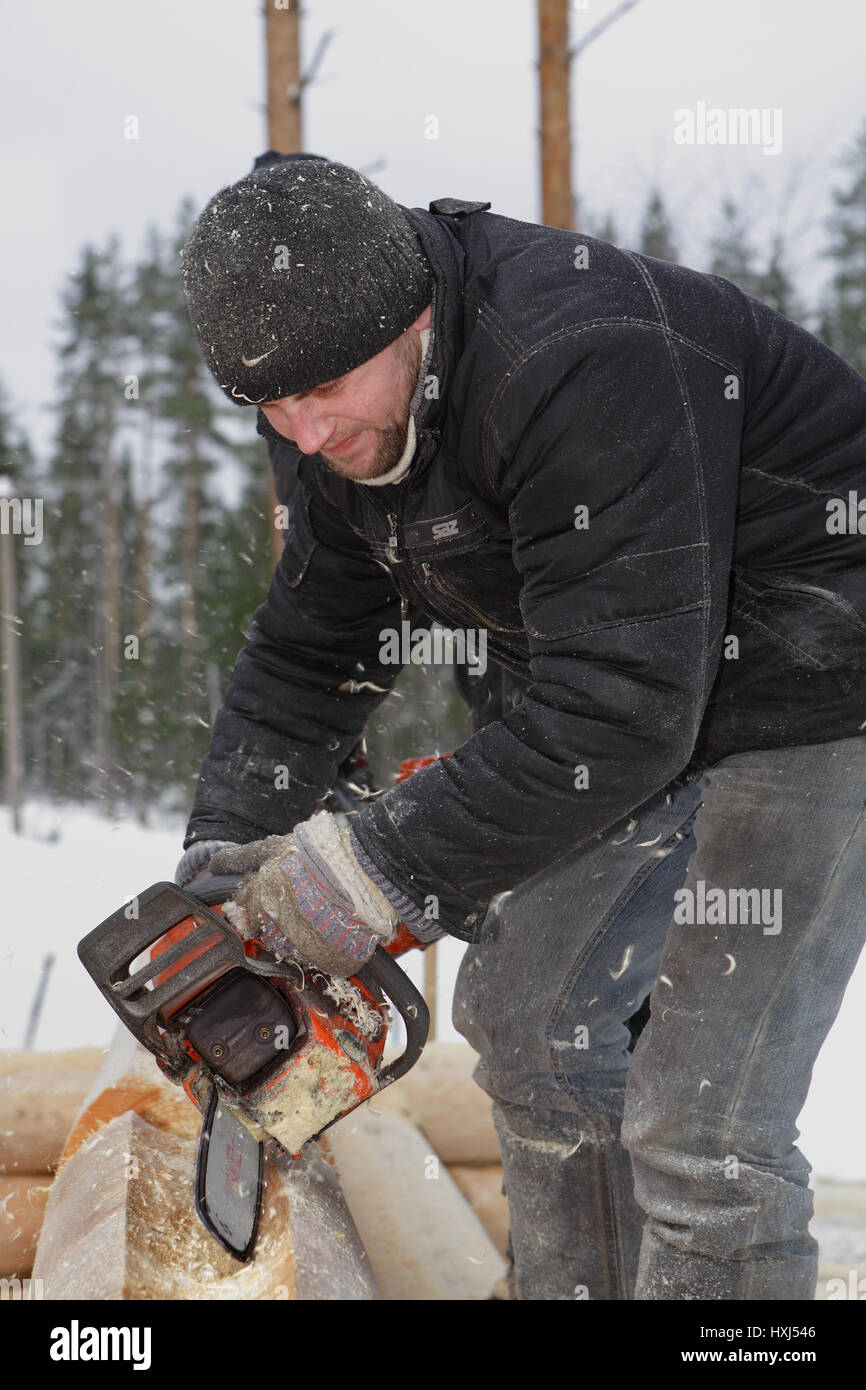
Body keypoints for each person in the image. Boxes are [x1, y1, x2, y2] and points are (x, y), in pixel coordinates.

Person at [174, 152, 866, 1300]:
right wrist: (224, 851)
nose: (300, 432)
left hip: (816, 679)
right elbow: (314, 644)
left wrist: (367, 871)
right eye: (266, 405)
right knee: (530, 1018)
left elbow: (621, 710)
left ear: (415, 317)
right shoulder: (318, 400)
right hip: (622, 687)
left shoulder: (576, 353)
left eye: (321, 391)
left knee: (701, 1115)